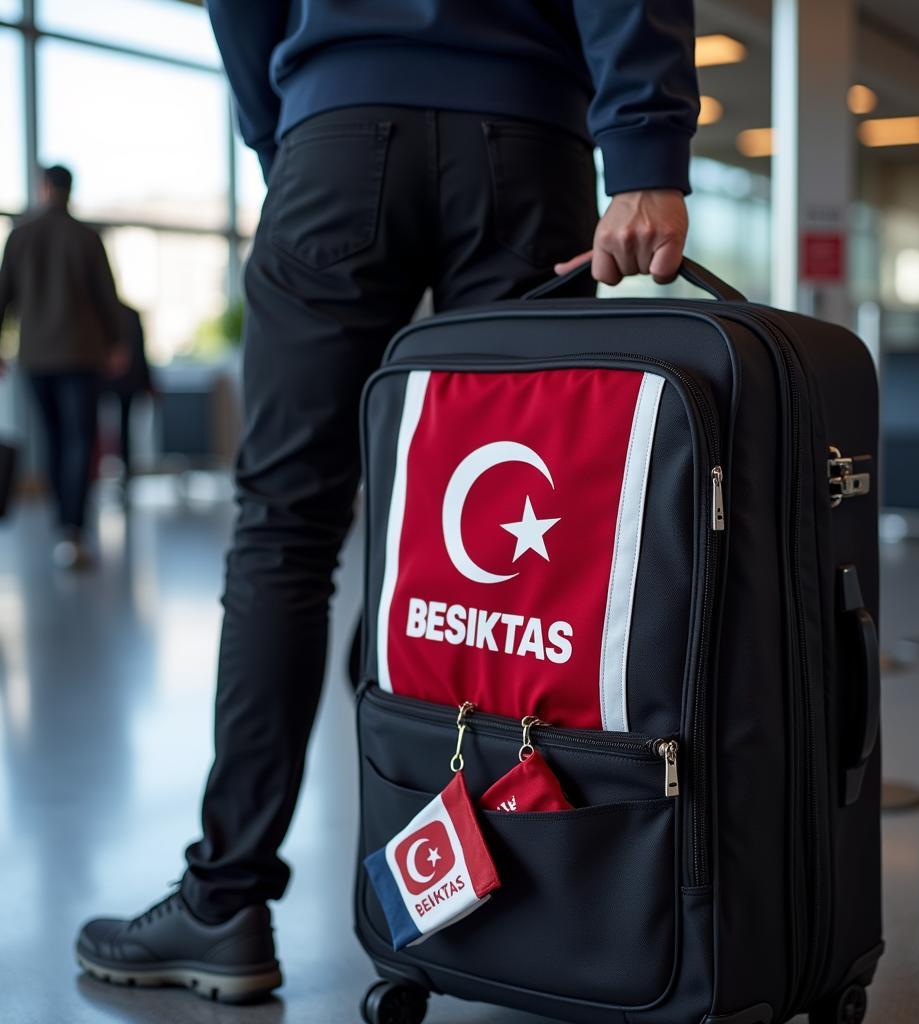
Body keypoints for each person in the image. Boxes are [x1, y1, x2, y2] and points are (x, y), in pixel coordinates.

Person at [76, 0, 698, 1002]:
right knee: (511, 538)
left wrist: (286, 121)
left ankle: (225, 896)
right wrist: (645, 143)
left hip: (337, 124)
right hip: (528, 135)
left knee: (285, 528)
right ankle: (520, 888)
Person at [0, 165, 125, 569]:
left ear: (42, 189)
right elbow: (108, 297)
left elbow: (2, 296)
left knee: (54, 440)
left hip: (37, 357)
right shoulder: (87, 237)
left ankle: (61, 527)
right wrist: (118, 344)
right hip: (82, 355)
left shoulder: (20, 236)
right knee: (80, 441)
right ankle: (74, 530)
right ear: (69, 191)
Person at [103, 301, 153, 493]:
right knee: (123, 428)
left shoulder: (106, 313)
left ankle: (124, 471)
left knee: (120, 428)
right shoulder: (130, 314)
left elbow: (140, 349)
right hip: (124, 381)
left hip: (119, 381)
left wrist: (147, 381)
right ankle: (125, 471)